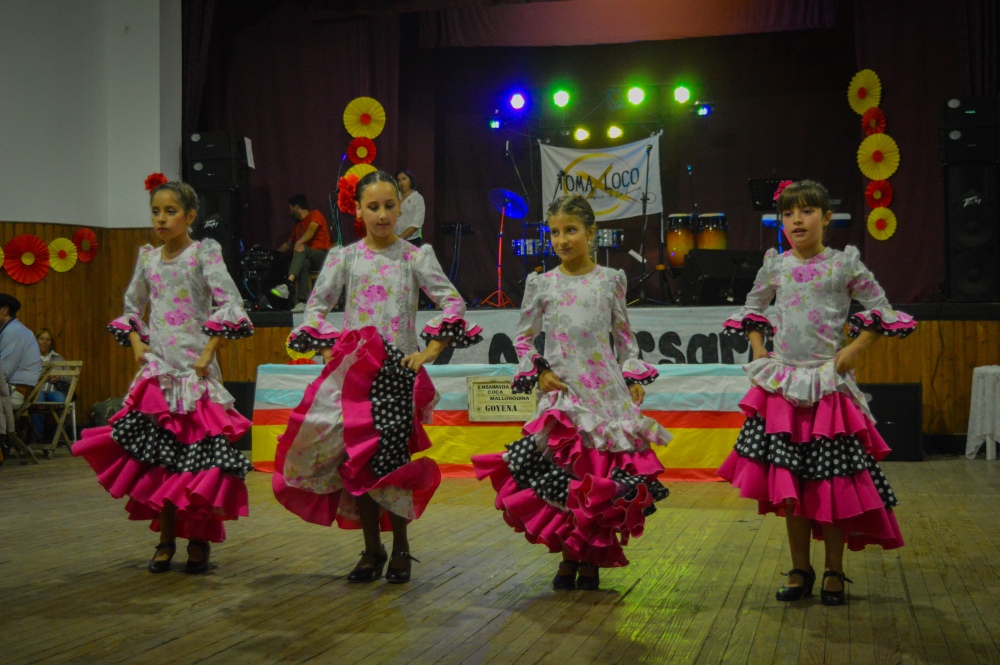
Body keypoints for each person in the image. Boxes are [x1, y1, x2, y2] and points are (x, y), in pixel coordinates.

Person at [273, 170, 481, 584]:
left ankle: (401, 548)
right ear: (357, 210)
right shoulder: (344, 258)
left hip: (397, 375)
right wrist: (329, 350)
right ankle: (372, 549)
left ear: (401, 208)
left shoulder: (415, 257)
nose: (382, 215)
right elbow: (315, 308)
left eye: (389, 206)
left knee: (391, 462)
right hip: (354, 378)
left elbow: (452, 303)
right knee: (357, 461)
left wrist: (429, 351)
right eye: (373, 207)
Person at [717, 179, 916, 606]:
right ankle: (799, 568)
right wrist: (758, 349)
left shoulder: (844, 265)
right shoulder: (776, 266)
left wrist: (855, 348)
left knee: (831, 481)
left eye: (807, 211)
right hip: (784, 388)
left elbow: (882, 310)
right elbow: (752, 308)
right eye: (788, 214)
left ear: (826, 218)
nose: (797, 220)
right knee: (791, 483)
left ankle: (834, 570)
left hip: (828, 385)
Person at [471, 195, 671, 591]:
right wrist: (540, 372)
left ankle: (592, 557)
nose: (562, 240)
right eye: (555, 232)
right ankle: (568, 555)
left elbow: (624, 337)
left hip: (605, 394)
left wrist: (632, 375)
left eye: (571, 231)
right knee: (566, 476)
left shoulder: (610, 280)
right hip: (563, 393)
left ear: (591, 233)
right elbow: (523, 338)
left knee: (598, 478)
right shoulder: (542, 283)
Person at [73, 174, 255, 574]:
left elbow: (230, 304)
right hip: (159, 373)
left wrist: (208, 352)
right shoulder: (149, 258)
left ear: (189, 216)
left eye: (170, 211)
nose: (161, 219)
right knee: (162, 460)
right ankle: (165, 538)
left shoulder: (203, 253)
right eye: (156, 211)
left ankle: (199, 539)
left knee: (197, 461)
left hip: (195, 374)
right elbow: (132, 307)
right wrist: (138, 345)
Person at [272, 195, 333, 312]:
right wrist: (274, 253)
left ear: (296, 207)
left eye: (290, 208)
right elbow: (288, 244)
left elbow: (311, 230)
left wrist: (299, 242)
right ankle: (303, 301)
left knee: (302, 248)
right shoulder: (297, 226)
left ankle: (288, 284)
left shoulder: (315, 214)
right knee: (303, 263)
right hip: (308, 258)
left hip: (323, 256)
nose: (289, 212)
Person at [0, 293, 42, 411]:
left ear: (4, 310)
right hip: (11, 389)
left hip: (15, 393)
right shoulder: (10, 330)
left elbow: (3, 371)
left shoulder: (13, 331)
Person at [32, 328, 70, 439]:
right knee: (37, 399)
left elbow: (70, 377)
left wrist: (60, 377)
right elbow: (27, 375)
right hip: (38, 389)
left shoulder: (58, 358)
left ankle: (56, 435)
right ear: (36, 340)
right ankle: (38, 435)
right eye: (42, 339)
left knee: (61, 400)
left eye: (48, 339)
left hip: (55, 389)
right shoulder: (31, 357)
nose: (45, 342)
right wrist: (44, 377)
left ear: (51, 342)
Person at [394, 170, 425, 247]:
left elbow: (417, 223)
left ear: (410, 181)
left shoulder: (417, 198)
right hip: (393, 240)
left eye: (404, 179)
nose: (401, 183)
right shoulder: (393, 196)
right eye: (399, 180)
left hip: (412, 241)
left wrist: (401, 238)